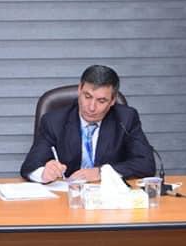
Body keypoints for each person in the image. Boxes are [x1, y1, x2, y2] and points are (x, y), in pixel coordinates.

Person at [20, 65, 155, 183]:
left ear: (113, 100)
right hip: (67, 197)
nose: (91, 107)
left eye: (101, 101)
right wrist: (44, 173)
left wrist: (101, 172)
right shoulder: (54, 121)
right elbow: (29, 166)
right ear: (79, 90)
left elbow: (146, 164)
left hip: (108, 198)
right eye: (87, 96)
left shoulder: (125, 119)